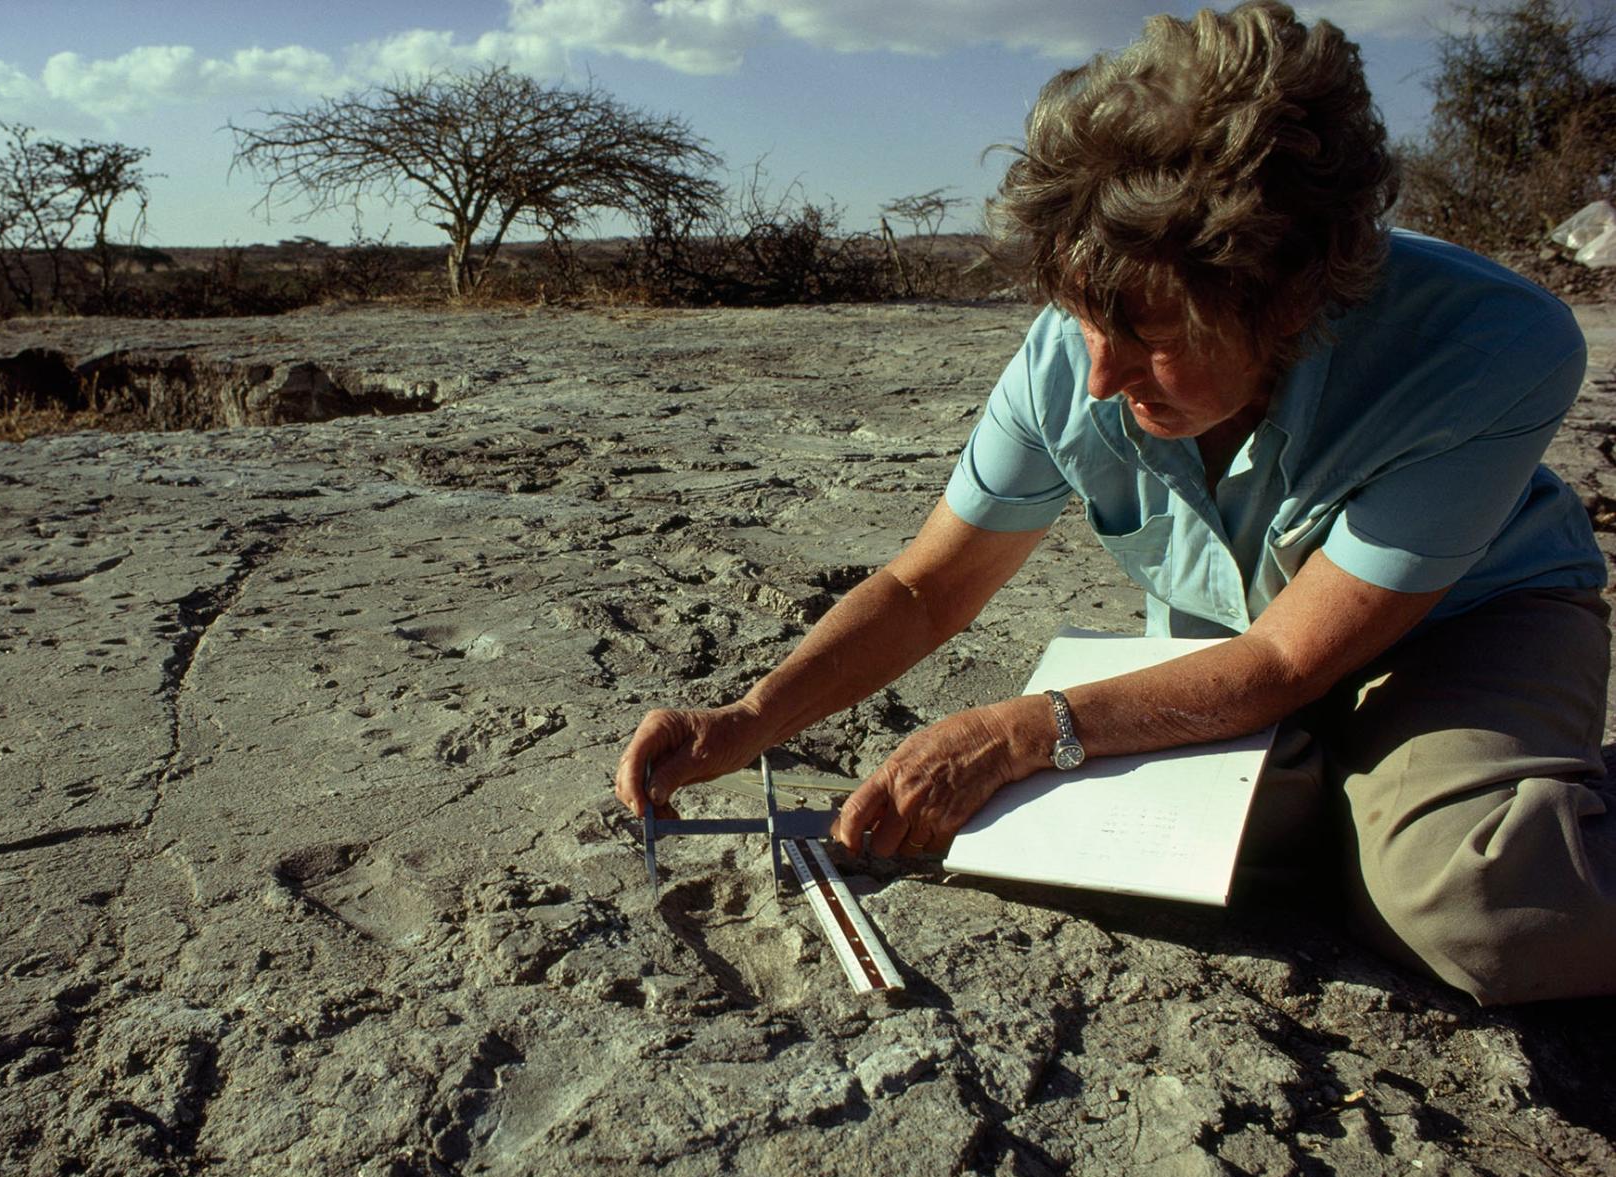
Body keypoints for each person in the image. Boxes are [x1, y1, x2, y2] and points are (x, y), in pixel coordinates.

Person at [614, 0, 1616, 1005]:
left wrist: (1016, 728)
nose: (1098, 375)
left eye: (1149, 331)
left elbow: (1286, 658)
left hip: (1463, 627)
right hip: (1238, 653)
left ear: (1293, 291)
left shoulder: (1488, 343)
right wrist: (748, 717)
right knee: (1134, 852)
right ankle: (1371, 805)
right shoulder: (1076, 352)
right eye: (1083, 318)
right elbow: (928, 588)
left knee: (1479, 903)